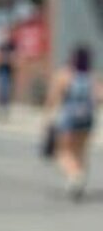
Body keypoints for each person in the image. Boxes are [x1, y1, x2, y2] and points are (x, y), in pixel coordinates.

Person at [46, 44, 99, 199]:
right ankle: (80, 176)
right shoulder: (92, 76)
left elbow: (53, 98)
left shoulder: (65, 75)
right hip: (87, 119)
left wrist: (48, 117)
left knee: (62, 151)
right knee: (80, 151)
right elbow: (98, 97)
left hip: (68, 118)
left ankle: (75, 176)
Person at [0, 31, 16, 120]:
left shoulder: (11, 46)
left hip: (8, 71)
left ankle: (5, 111)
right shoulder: (0, 46)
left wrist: (10, 59)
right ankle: (0, 110)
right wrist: (2, 59)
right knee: (0, 90)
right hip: (0, 71)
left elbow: (15, 58)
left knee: (7, 91)